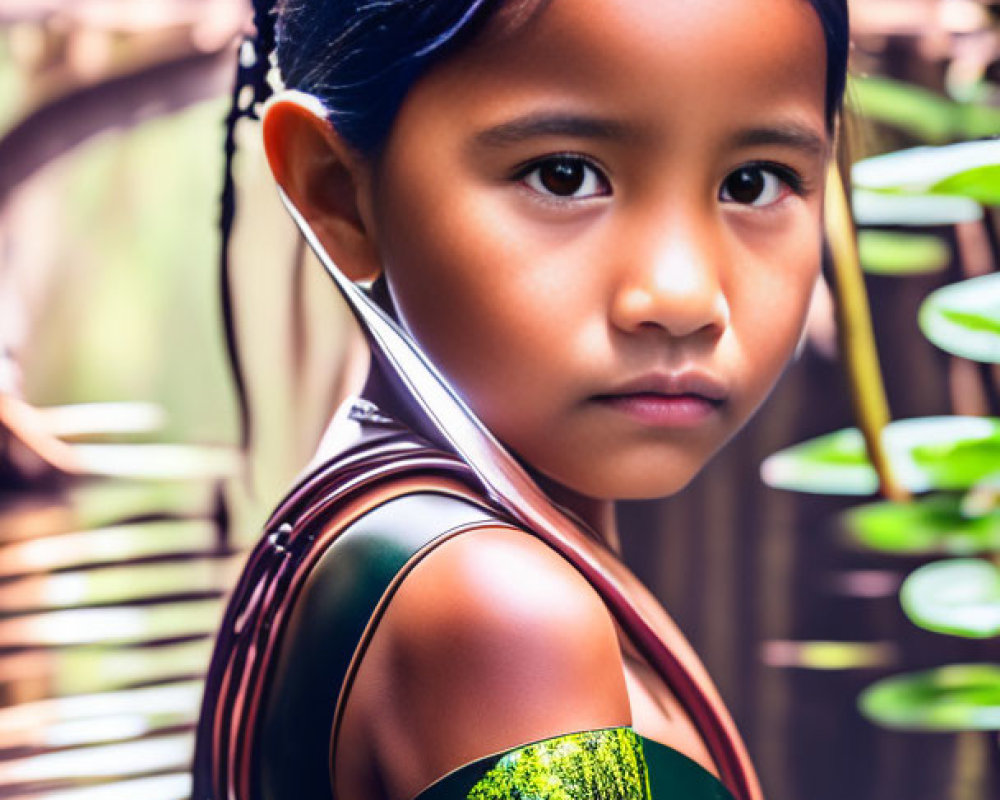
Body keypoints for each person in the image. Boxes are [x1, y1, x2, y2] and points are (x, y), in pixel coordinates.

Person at [193, 1, 850, 799]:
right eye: (564, 175)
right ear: (338, 191)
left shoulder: (365, 527)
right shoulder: (506, 617)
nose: (681, 295)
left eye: (753, 183)